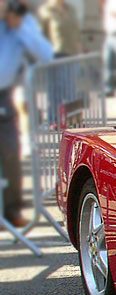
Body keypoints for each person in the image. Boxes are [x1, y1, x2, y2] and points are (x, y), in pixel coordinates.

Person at [1, 0, 54, 228]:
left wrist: (19, 27)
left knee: (11, 151)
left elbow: (46, 54)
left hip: (3, 96)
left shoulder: (21, 21)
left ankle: (11, 211)